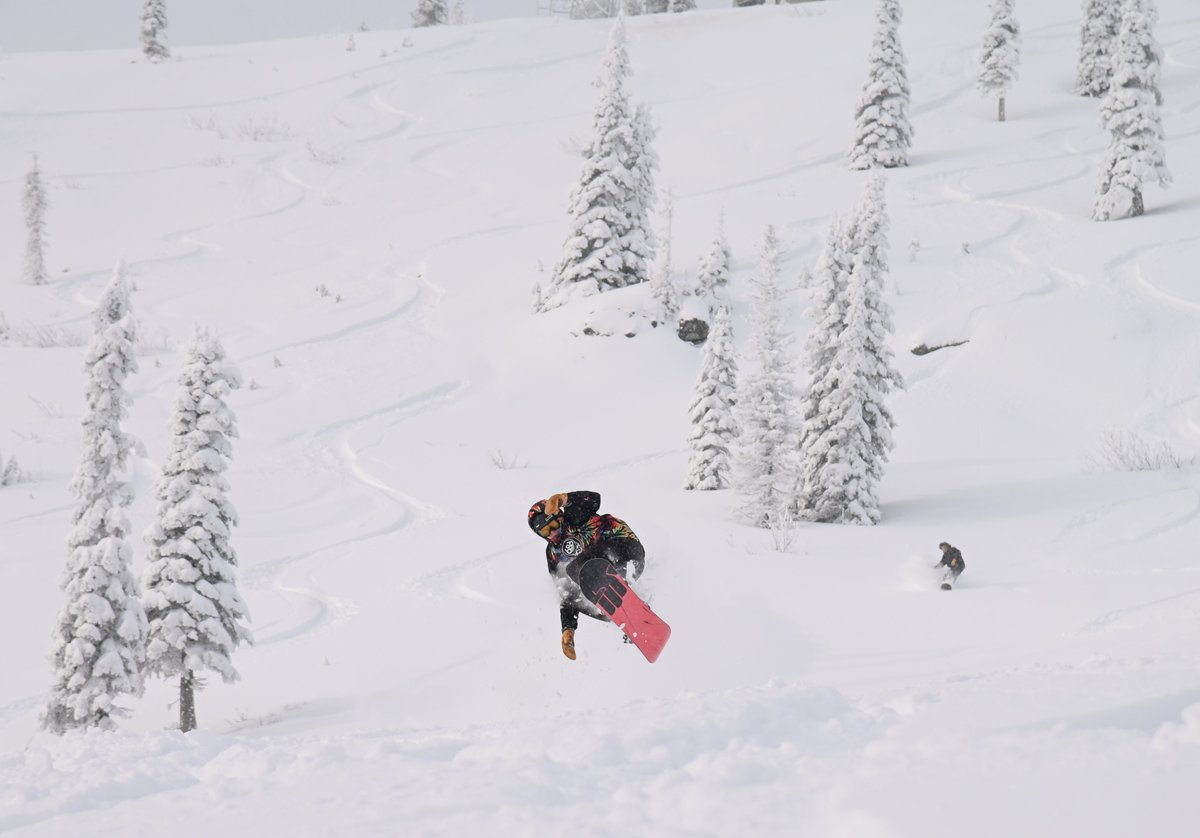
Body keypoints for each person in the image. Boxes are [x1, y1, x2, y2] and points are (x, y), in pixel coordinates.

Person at [527, 490, 645, 661]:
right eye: (545, 532)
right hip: (603, 573)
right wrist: (568, 629)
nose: (552, 533)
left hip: (624, 549)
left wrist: (563, 500)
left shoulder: (574, 515)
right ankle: (631, 618)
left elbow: (594, 500)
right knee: (579, 596)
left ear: (559, 517)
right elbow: (566, 594)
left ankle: (620, 594)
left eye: (552, 525)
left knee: (577, 568)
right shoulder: (553, 554)